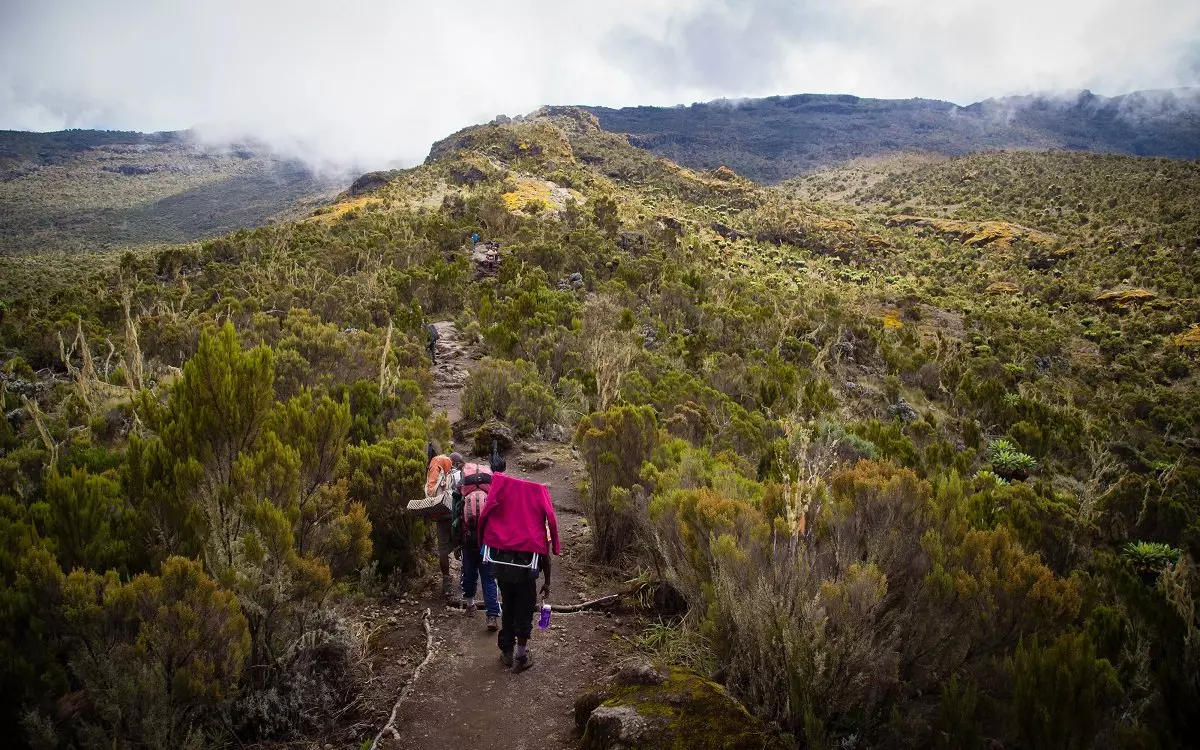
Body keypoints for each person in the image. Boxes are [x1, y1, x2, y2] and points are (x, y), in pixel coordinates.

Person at [478, 472, 560, 673]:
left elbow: (485, 514)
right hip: (525, 574)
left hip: (503, 570)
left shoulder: (502, 505)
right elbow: (545, 553)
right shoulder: (536, 518)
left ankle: (506, 652)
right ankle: (520, 657)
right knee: (523, 612)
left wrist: (481, 538)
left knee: (508, 608)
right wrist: (547, 582)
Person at [452, 462, 500, 631]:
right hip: (487, 542)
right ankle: (492, 616)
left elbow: (456, 517)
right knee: (488, 577)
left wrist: (456, 543)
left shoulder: (462, 486)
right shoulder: (490, 484)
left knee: (469, 573)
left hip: (467, 540)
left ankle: (470, 606)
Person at [426, 450, 465, 602]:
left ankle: (447, 583)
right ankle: (464, 579)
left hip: (440, 515)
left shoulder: (438, 472)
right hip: (455, 517)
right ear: (456, 463)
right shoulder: (457, 475)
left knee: (443, 551)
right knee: (461, 546)